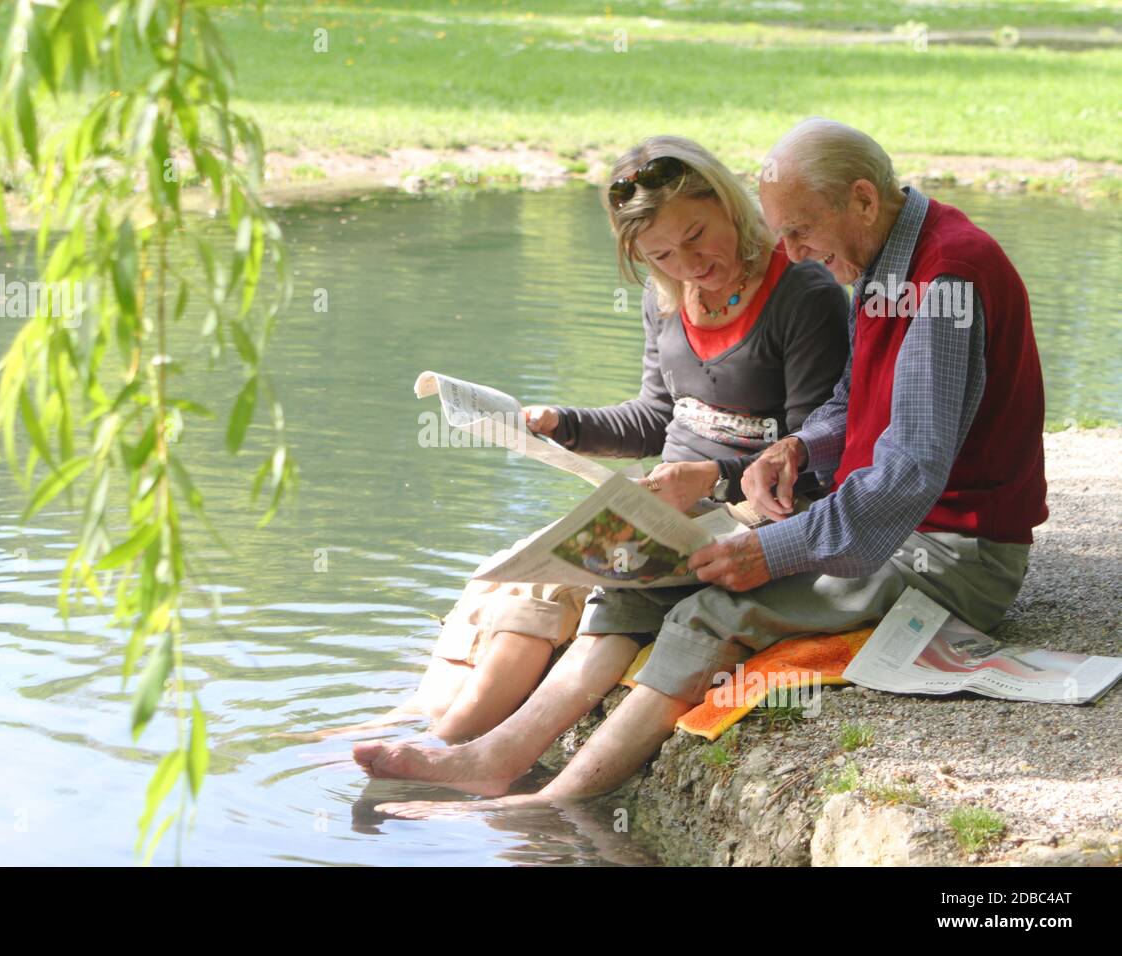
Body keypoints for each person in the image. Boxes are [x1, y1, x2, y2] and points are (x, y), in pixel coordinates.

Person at [361, 118, 1048, 817]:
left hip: (949, 552)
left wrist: (770, 547)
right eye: (783, 232)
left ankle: (554, 803)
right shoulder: (885, 258)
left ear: (864, 202)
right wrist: (798, 447)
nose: (792, 251)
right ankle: (492, 759)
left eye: (800, 232)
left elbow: (907, 474)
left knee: (711, 611)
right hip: (883, 526)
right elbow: (852, 402)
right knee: (628, 590)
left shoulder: (943, 279)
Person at [341, 132, 847, 759]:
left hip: (751, 513)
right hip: (671, 503)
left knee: (562, 582)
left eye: (696, 235)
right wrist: (562, 424)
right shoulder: (666, 298)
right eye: (660, 253)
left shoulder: (803, 294)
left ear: (728, 204)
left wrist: (711, 476)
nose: (687, 264)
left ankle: (450, 743)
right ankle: (423, 722)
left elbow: (810, 458)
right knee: (510, 576)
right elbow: (656, 417)